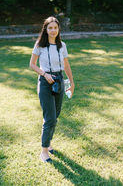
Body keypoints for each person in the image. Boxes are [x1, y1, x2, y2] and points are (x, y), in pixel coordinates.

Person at [29, 16, 75, 163]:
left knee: (54, 116)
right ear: (46, 29)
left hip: (59, 80)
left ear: (58, 29)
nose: (53, 30)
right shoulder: (39, 45)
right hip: (44, 82)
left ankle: (48, 144)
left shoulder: (62, 45)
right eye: (50, 28)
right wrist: (44, 74)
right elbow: (32, 64)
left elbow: (66, 65)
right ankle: (44, 151)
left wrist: (71, 83)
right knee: (49, 117)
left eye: (55, 28)